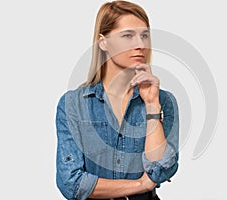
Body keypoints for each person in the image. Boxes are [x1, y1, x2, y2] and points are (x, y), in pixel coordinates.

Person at [55, 1, 179, 199]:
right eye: (128, 35)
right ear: (103, 42)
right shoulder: (73, 104)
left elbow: (160, 170)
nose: (140, 45)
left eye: (144, 35)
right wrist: (141, 183)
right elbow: (72, 184)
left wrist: (151, 104)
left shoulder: (164, 101)